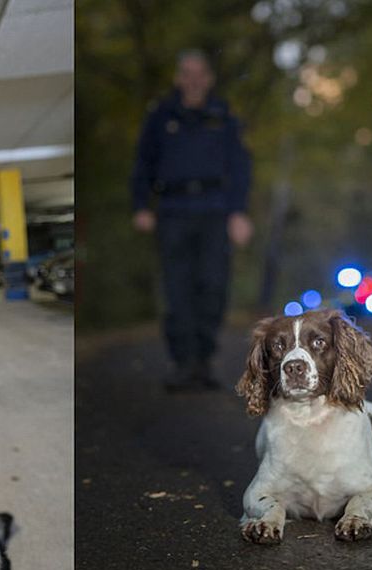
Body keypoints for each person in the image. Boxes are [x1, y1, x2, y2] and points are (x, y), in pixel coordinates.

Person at [131, 50, 253, 391]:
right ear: (178, 78)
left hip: (215, 210)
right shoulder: (160, 116)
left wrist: (239, 212)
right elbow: (143, 162)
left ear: (209, 78)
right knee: (177, 290)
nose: (194, 79)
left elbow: (240, 166)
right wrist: (141, 205)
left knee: (213, 287)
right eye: (187, 73)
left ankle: (204, 359)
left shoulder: (224, 116)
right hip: (173, 210)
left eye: (200, 73)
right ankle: (183, 362)